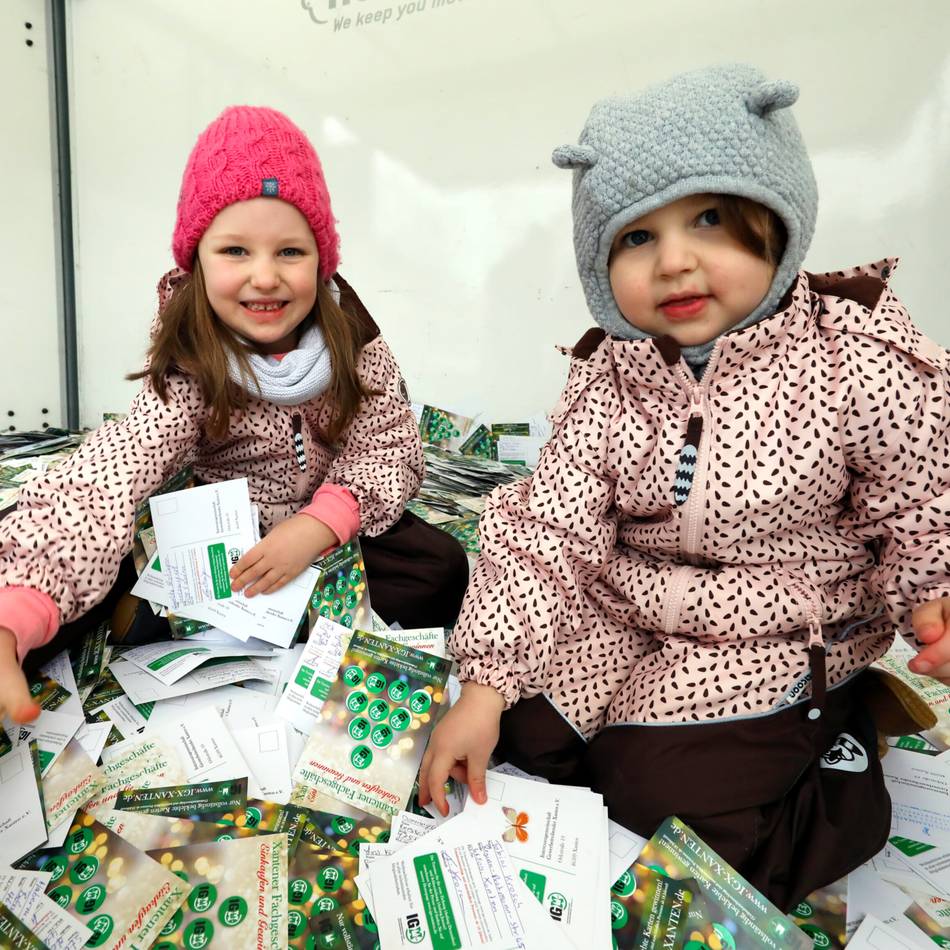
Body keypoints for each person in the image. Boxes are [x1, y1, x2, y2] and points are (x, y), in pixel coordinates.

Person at [420, 64, 950, 907]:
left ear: (777, 213)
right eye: (635, 237)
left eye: (709, 217)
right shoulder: (609, 376)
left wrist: (933, 601)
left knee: (655, 799)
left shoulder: (852, 352)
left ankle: (839, 746)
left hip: (781, 629)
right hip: (628, 607)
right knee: (521, 734)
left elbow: (922, 497)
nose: (674, 261)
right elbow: (546, 529)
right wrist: (483, 687)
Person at [0, 105, 468, 724]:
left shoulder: (351, 337)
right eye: (236, 250)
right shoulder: (193, 355)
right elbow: (112, 469)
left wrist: (322, 523)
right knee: (84, 570)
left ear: (321, 260)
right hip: (231, 541)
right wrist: (19, 605)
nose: (265, 277)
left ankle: (246, 621)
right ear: (198, 258)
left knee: (440, 565)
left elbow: (389, 442)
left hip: (326, 526)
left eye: (291, 251)